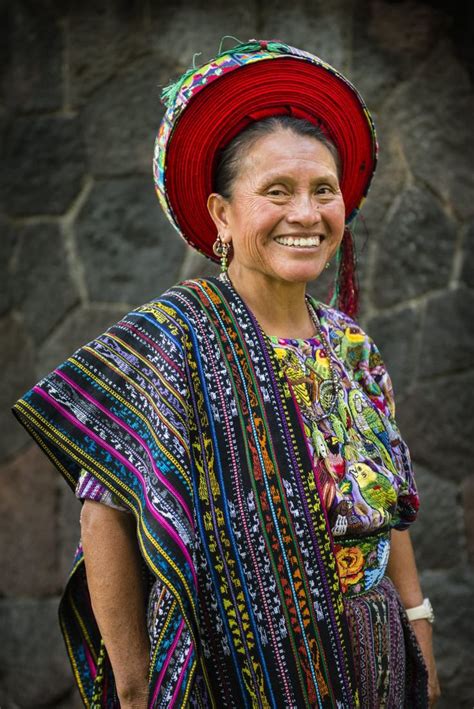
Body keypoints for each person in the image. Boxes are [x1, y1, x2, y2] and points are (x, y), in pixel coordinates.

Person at [13, 39, 440, 708]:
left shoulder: (352, 346)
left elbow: (390, 503)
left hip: (373, 658)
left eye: (322, 190)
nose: (306, 213)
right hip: (227, 668)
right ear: (222, 214)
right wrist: (130, 691)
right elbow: (108, 517)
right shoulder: (172, 340)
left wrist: (419, 629)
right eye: (277, 190)